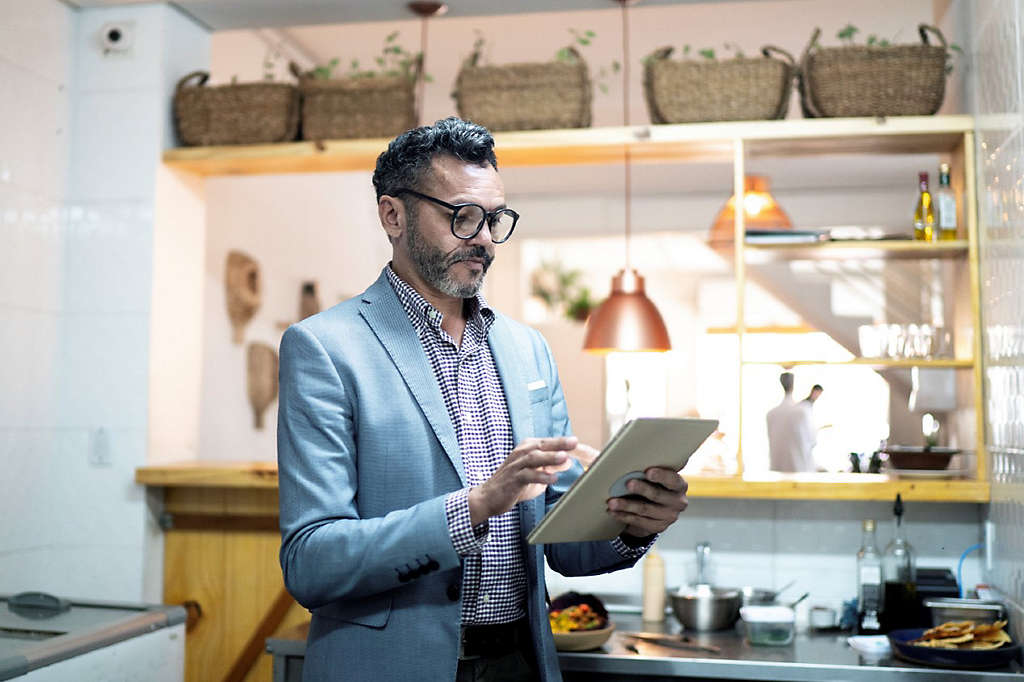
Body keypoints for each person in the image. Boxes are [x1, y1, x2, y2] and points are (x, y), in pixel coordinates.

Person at [277, 117, 691, 682]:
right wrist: (475, 507)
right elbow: (311, 564)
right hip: (392, 667)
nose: (485, 239)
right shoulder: (325, 348)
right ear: (392, 215)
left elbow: (565, 545)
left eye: (495, 219)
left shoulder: (529, 351)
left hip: (520, 662)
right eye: (462, 216)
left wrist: (635, 521)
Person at [765, 372, 816, 472]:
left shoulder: (771, 414)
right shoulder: (802, 412)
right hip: (798, 470)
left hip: (777, 469)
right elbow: (812, 440)